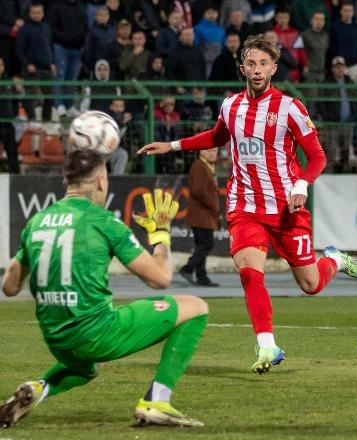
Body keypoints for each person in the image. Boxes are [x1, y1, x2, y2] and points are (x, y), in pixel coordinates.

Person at [137, 34, 357, 375]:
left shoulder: (290, 108)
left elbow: (317, 156)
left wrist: (301, 183)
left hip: (287, 207)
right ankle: (267, 345)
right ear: (241, 67)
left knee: (311, 285)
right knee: (249, 271)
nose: (257, 70)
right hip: (245, 206)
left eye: (263, 64)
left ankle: (333, 258)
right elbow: (217, 136)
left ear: (274, 67)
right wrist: (172, 145)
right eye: (251, 64)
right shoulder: (231, 106)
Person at [0, 150, 208, 428]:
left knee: (88, 367)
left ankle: (38, 389)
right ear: (100, 180)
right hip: (96, 334)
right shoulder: (104, 222)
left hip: (57, 340)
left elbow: (10, 287)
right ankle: (157, 400)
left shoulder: (37, 222)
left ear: (66, 180)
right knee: (196, 307)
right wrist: (160, 234)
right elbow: (160, 278)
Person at [180, 147, 221, 287]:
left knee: (201, 245)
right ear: (202, 152)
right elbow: (198, 190)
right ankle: (187, 268)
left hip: (203, 215)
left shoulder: (206, 166)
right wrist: (213, 205)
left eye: (215, 151)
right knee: (207, 244)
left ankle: (202, 277)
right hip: (201, 214)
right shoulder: (199, 167)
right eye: (209, 151)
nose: (213, 153)